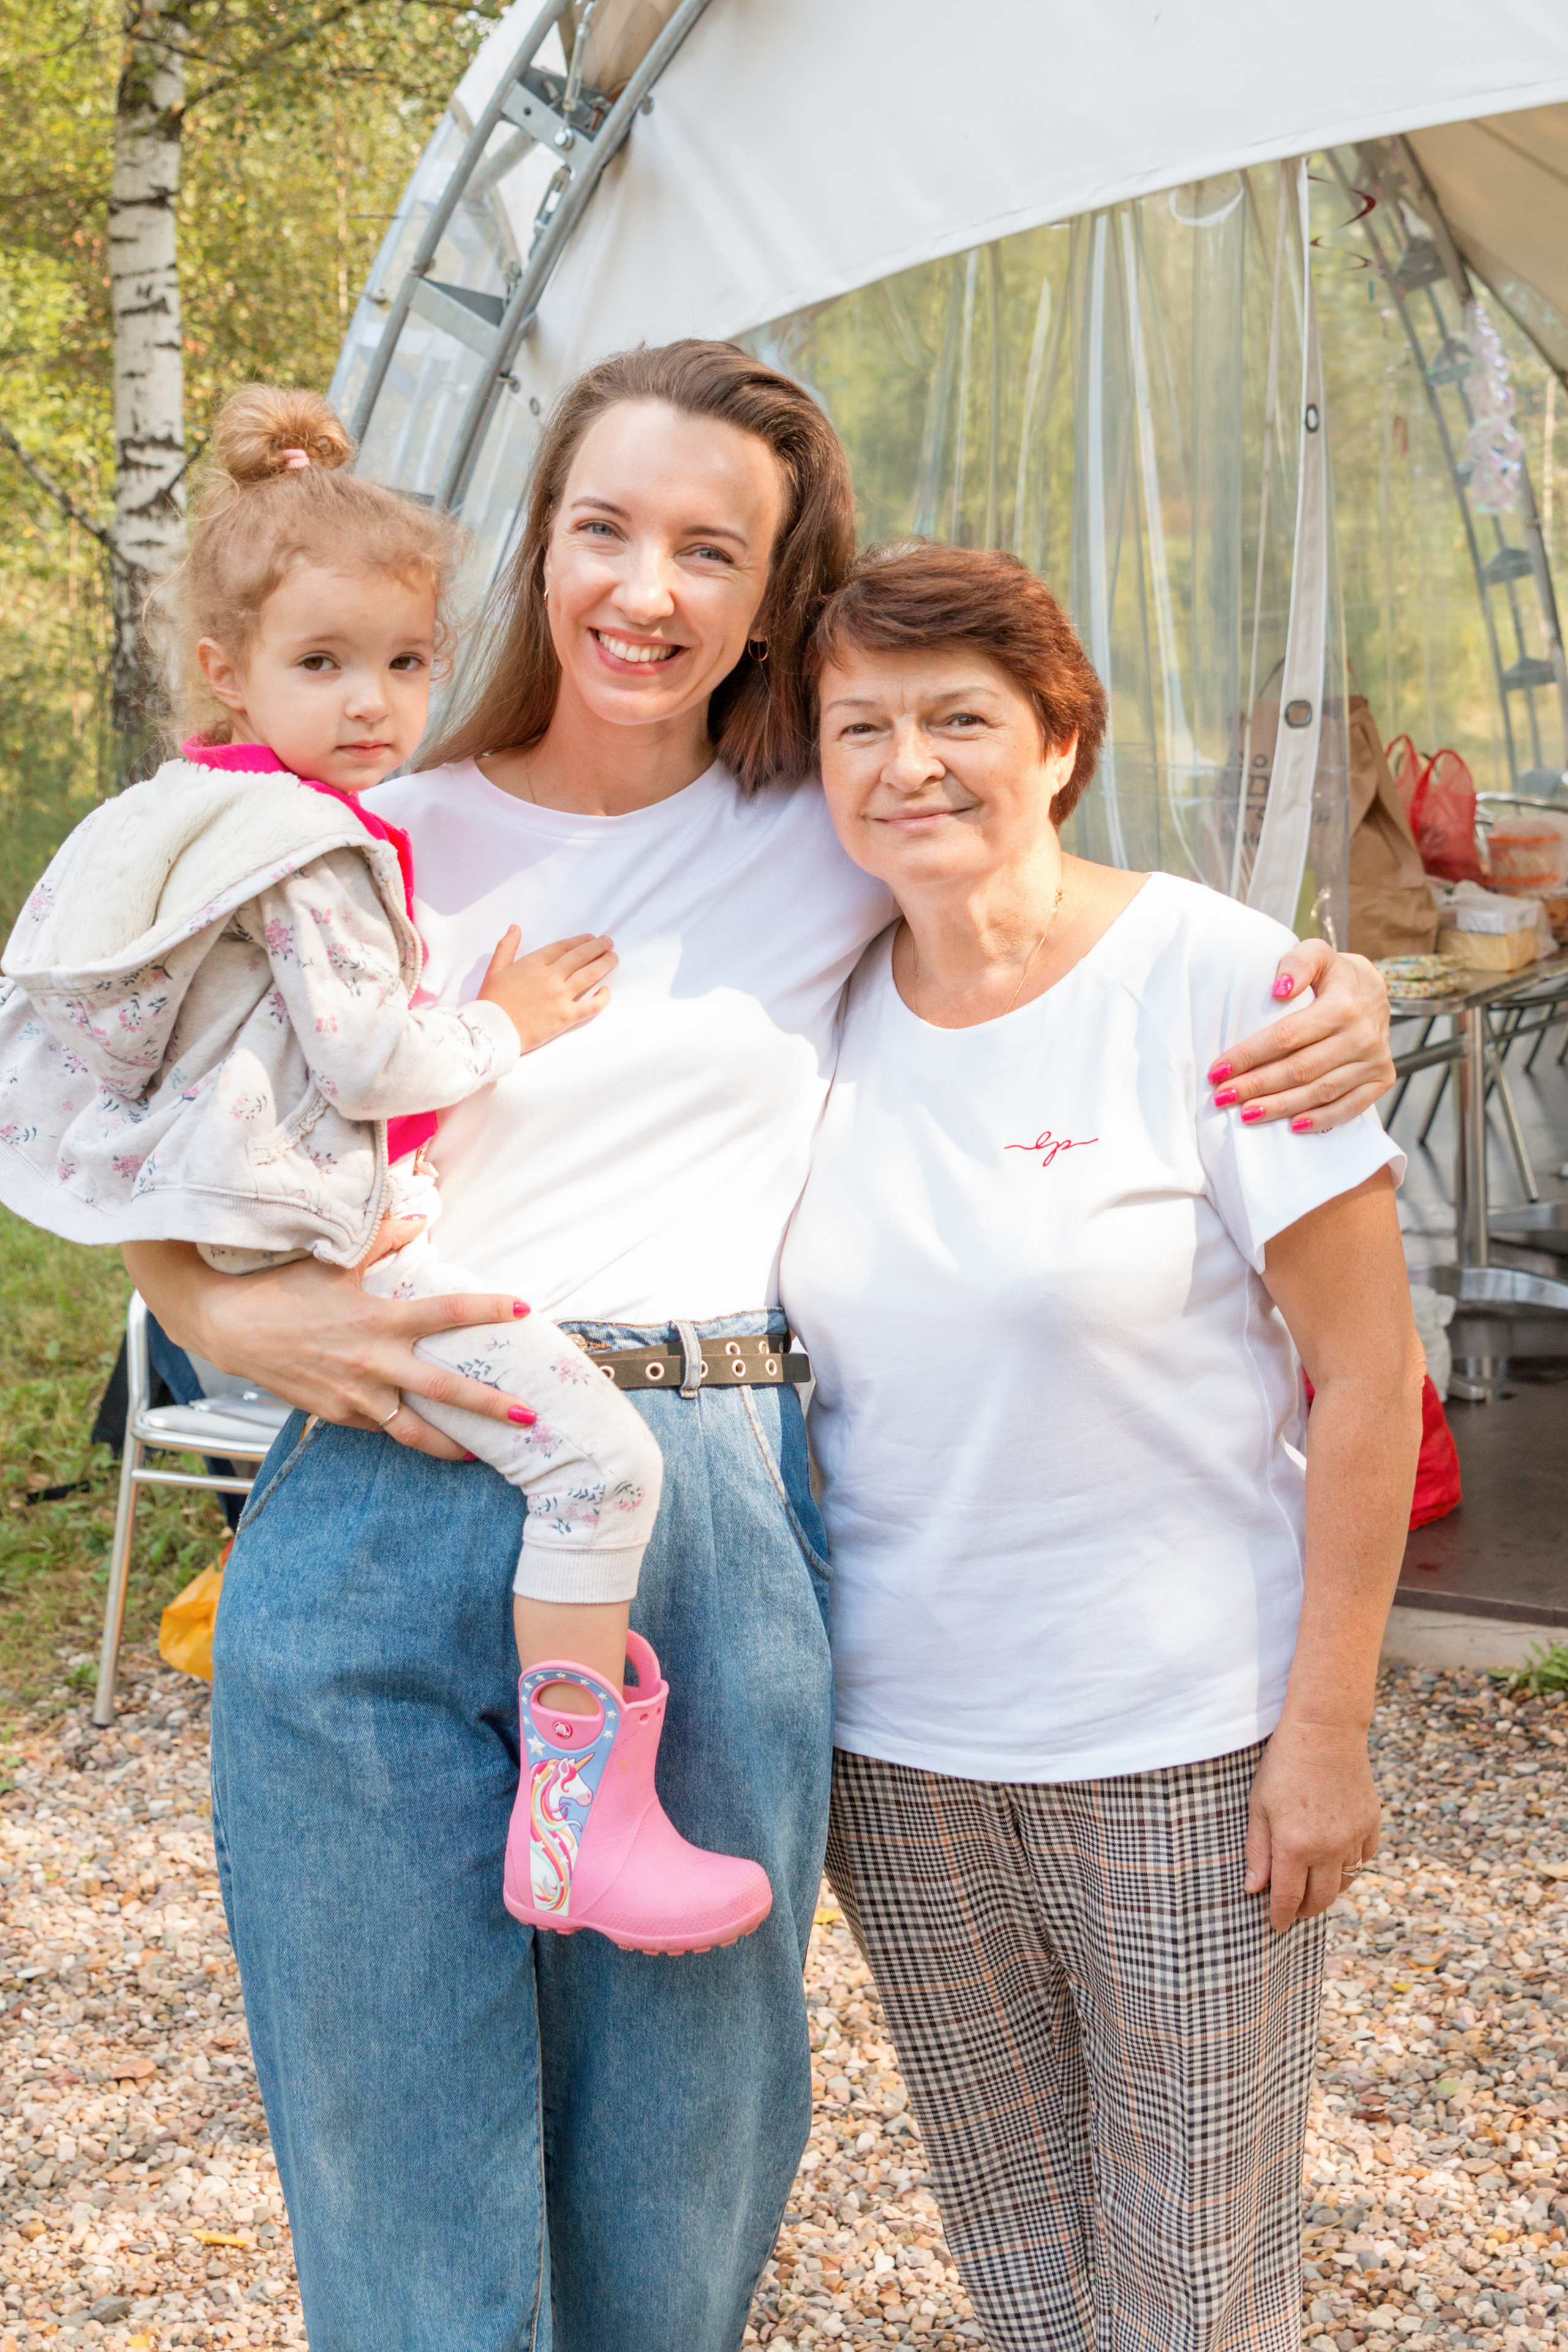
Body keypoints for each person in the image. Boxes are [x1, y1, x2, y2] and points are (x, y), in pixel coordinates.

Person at [125, 341, 1398, 2352]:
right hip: (380, 1496)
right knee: (396, 2183)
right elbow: (119, 1098)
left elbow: (1081, 925)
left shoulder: (824, 822)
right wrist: (206, 1307)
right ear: (539, 542)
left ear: (775, 598)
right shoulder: (350, 821)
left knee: (679, 2175)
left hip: (702, 1517)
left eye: (711, 549)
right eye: (605, 528)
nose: (647, 587)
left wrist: (1340, 984)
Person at [0, 382, 767, 1956]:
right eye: (325, 664)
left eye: (405, 663)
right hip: (365, 1309)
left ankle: (579, 1820)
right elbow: (365, 1058)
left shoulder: (206, 822)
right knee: (602, 1469)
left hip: (374, 1262)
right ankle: (581, 1824)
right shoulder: (321, 847)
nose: (373, 702)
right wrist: (506, 1017)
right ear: (226, 672)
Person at [783, 540, 1425, 2352]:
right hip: (898, 1753)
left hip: (1185, 1749)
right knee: (1020, 2255)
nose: (910, 765)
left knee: (1196, 2284)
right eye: (862, 728)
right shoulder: (812, 1005)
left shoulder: (1216, 980)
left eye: (959, 719)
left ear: (1061, 739)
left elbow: (1371, 1380)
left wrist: (1326, 1730)